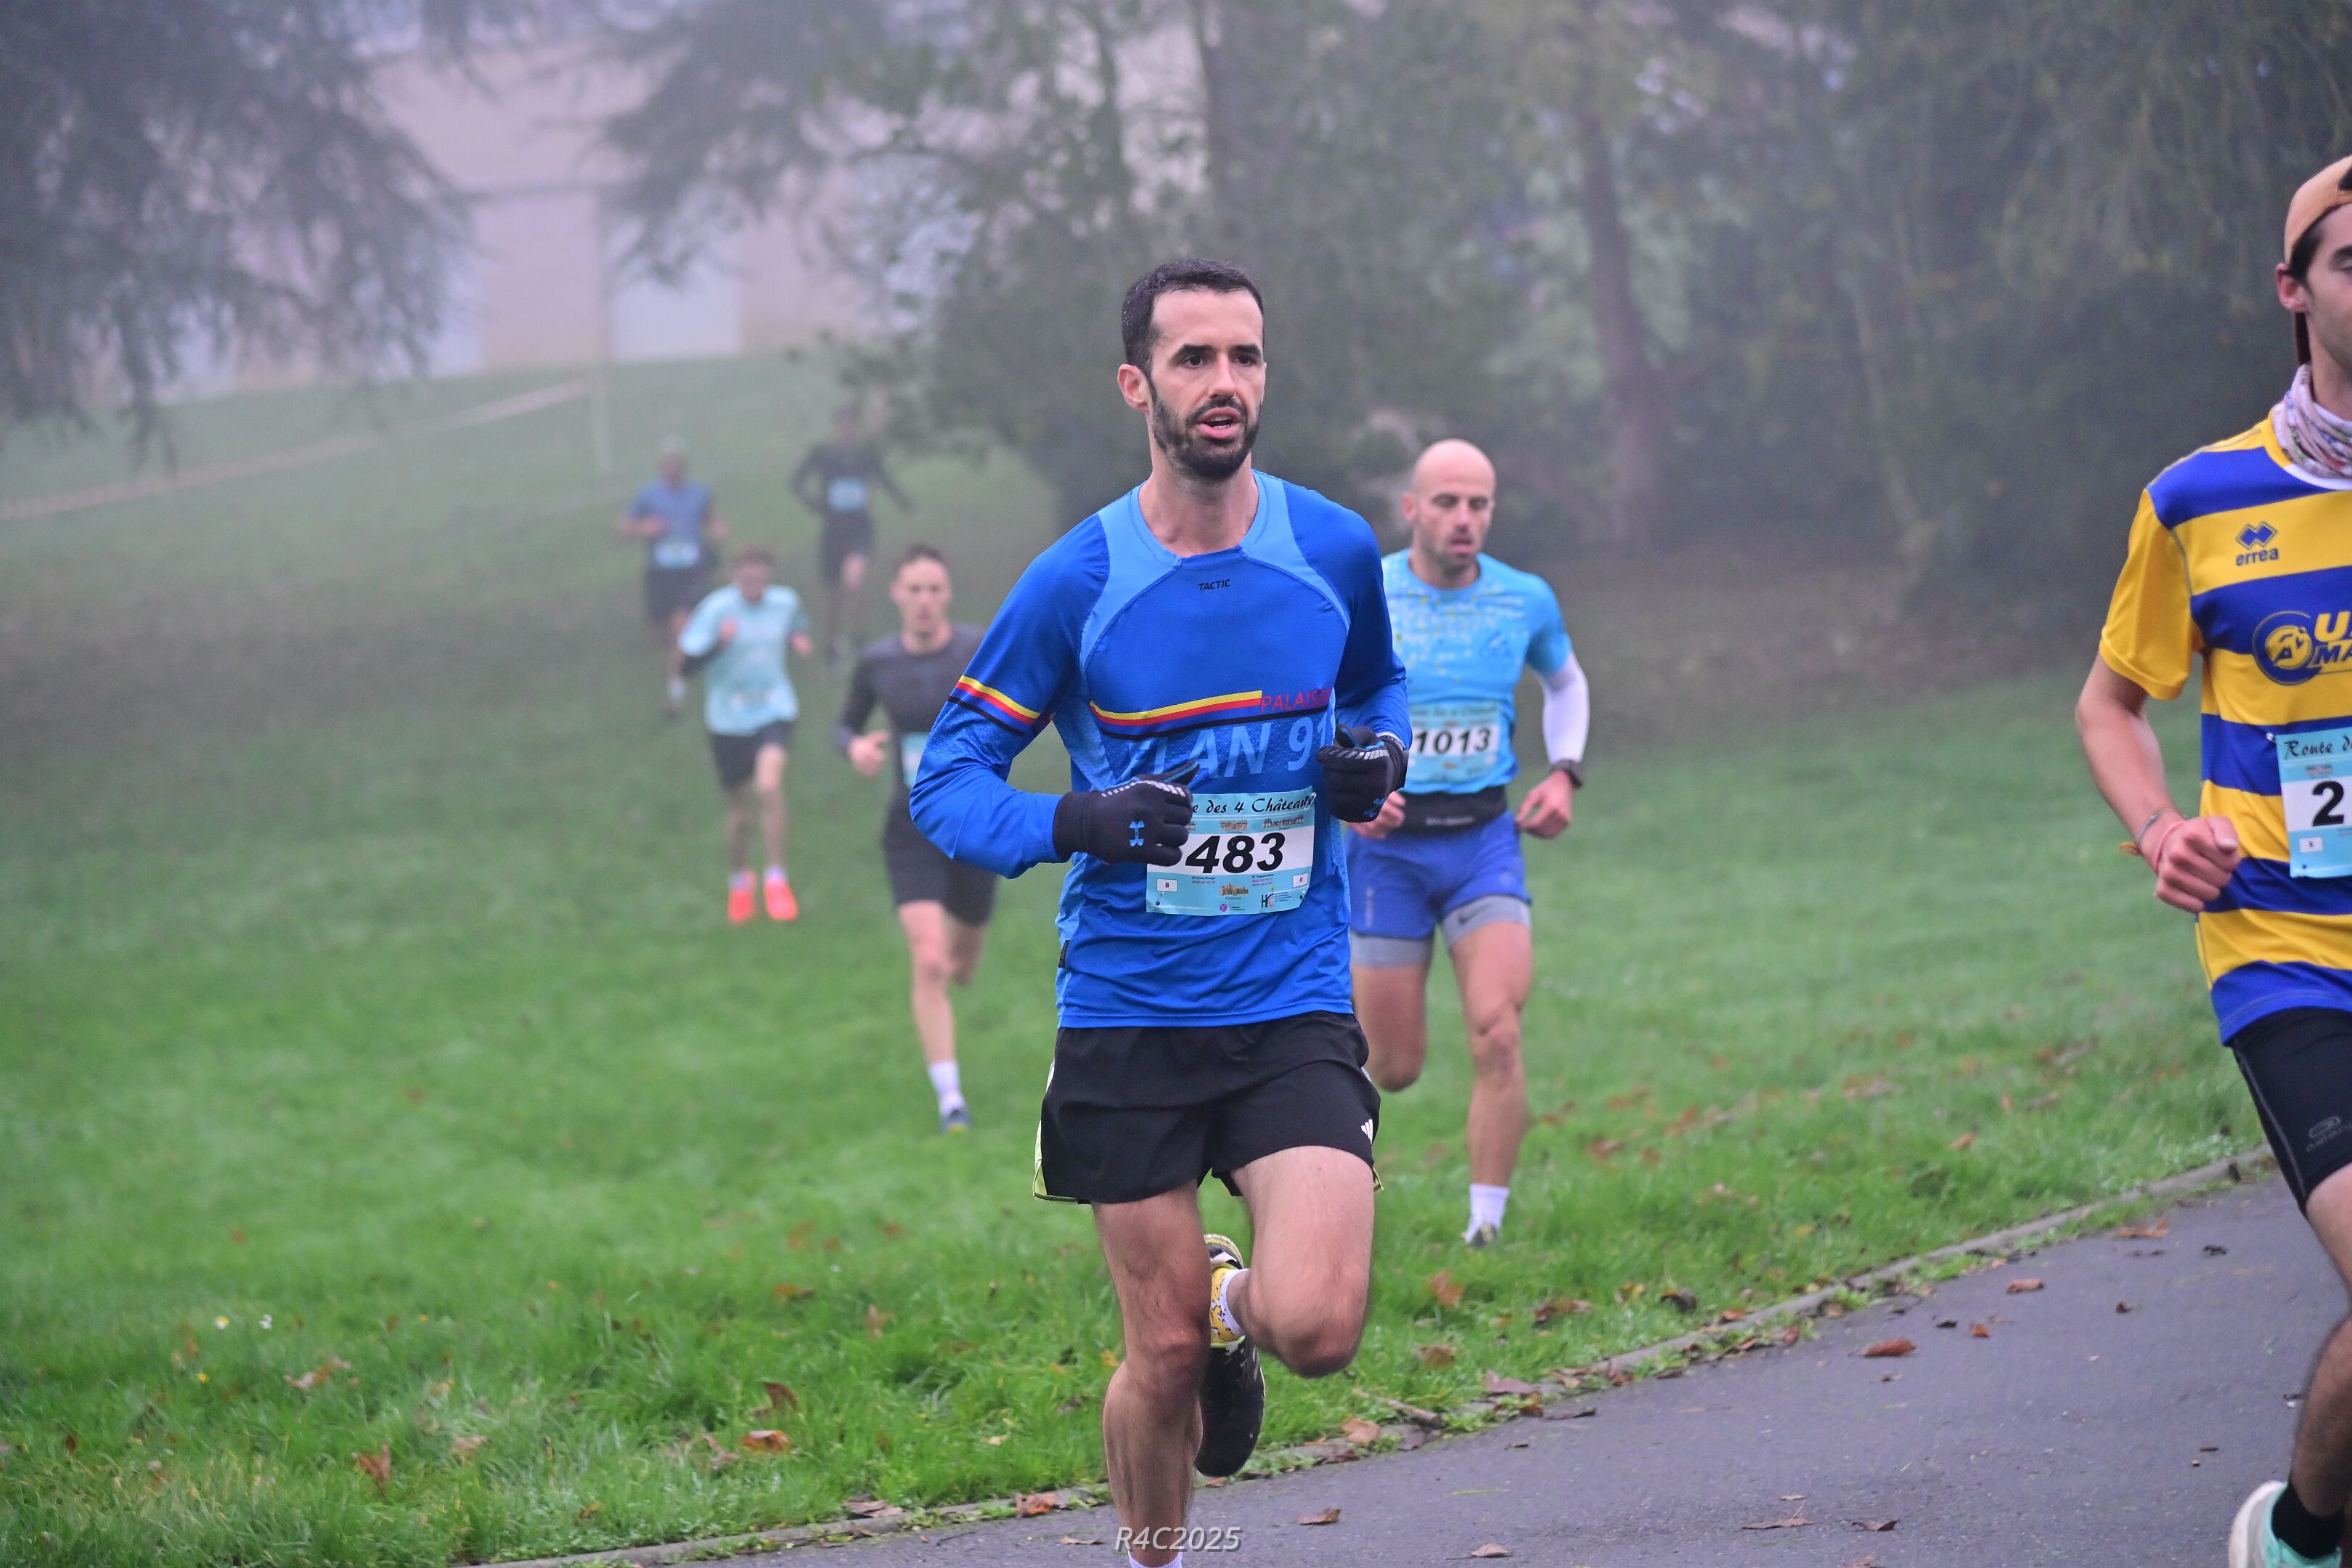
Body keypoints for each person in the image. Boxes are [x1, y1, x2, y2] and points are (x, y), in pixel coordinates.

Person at [910, 258, 1408, 1566]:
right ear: (1138, 386)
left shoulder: (1332, 549)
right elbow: (947, 779)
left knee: (1321, 1328)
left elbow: (1378, 690)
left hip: (1291, 997)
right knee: (1164, 1352)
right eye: (1194, 359)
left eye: (1245, 356)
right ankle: (1156, 1557)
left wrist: (1378, 759)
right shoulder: (1077, 582)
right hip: (1130, 1014)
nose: (1224, 382)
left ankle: (1240, 1302)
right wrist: (1073, 822)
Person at [2077, 156, 2352, 1568]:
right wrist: (2159, 829)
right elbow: (2111, 704)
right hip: (2287, 949)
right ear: (2294, 289)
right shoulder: (2199, 499)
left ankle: (2305, 1530)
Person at [1347, 438, 1587, 1249]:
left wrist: (1565, 773)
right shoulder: (1369, 592)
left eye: (1478, 504)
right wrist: (1351, 789)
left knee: (1499, 1029)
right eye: (1447, 502)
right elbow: (1313, 697)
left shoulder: (1525, 599)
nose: (1464, 519)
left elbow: (1566, 683)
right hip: (1387, 854)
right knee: (1394, 1066)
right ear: (1411, 509)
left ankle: (1486, 1227)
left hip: (1485, 843)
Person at [838, 545, 994, 1132]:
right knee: (929, 960)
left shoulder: (977, 650)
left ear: (946, 594)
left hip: (973, 826)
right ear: (896, 595)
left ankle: (959, 966)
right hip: (911, 826)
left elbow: (1024, 704)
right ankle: (951, 1101)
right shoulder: (878, 662)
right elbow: (845, 724)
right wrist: (855, 746)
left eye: (934, 589)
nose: (924, 600)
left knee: (961, 965)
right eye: (914, 589)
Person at [678, 548, 813, 924]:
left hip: (774, 711)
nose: (754, 582)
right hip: (727, 720)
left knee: (769, 786)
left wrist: (797, 641)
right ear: (734, 575)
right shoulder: (715, 610)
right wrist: (718, 644)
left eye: (760, 575)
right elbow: (685, 665)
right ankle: (740, 881)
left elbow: (796, 626)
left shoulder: (785, 603)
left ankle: (776, 879)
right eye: (746, 575)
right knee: (740, 815)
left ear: (769, 575)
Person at [792, 407, 911, 668]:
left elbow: (884, 479)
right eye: (842, 426)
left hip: (860, 529)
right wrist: (815, 504)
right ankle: (832, 647)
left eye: (851, 425)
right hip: (833, 531)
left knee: (855, 582)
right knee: (832, 596)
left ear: (856, 429)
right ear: (835, 429)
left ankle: (860, 642)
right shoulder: (822, 454)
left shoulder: (866, 455)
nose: (847, 431)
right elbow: (797, 481)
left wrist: (902, 501)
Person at [618, 438, 726, 717]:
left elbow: (710, 519)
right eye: (669, 463)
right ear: (661, 466)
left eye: (678, 463)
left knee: (681, 627)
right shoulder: (648, 495)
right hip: (660, 572)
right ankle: (680, 661)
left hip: (692, 571)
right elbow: (625, 528)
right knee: (661, 634)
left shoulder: (699, 493)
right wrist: (644, 527)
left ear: (685, 466)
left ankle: (676, 697)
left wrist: (717, 529)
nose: (673, 468)